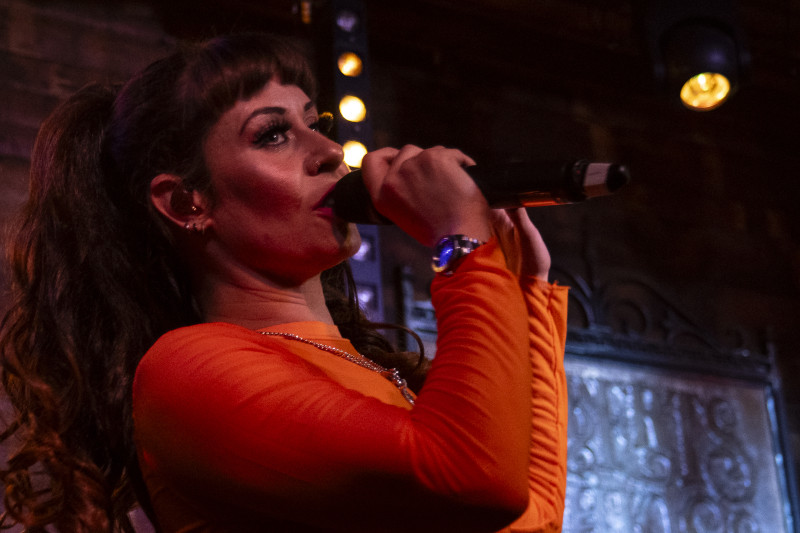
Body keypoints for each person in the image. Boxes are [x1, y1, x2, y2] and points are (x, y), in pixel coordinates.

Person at [0, 32, 568, 532]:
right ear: (186, 202)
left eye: (315, 125)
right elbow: (472, 479)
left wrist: (528, 292)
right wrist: (459, 244)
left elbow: (529, 515)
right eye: (273, 135)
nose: (330, 152)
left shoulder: (362, 365)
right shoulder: (188, 370)